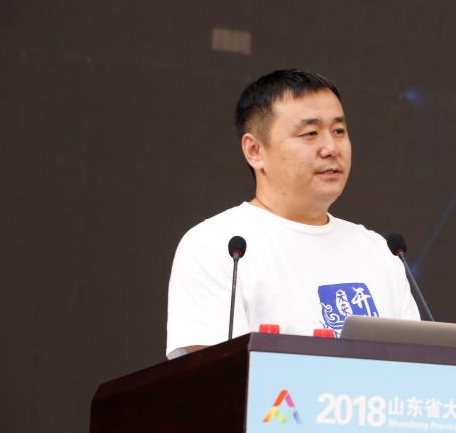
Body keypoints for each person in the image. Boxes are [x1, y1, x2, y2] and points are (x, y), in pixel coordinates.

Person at [166, 69, 420, 359]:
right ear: (255, 150)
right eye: (310, 133)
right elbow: (214, 378)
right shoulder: (216, 245)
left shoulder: (379, 251)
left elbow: (417, 367)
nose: (331, 148)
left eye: (339, 131)